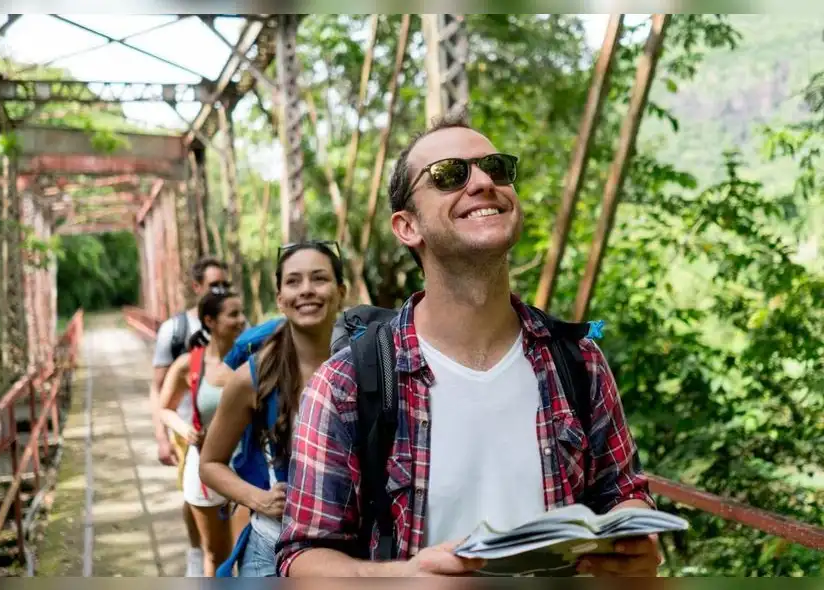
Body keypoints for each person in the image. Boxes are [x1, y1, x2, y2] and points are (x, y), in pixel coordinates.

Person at [276, 115, 661, 578]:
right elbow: (302, 559)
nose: (482, 182)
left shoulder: (579, 362)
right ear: (406, 227)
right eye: (449, 175)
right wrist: (404, 579)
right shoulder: (346, 385)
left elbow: (623, 493)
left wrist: (636, 545)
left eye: (496, 168)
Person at [199, 241, 347, 577]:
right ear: (280, 299)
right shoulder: (252, 378)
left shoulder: (368, 366)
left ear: (342, 292)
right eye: (293, 282)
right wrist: (259, 499)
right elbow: (209, 464)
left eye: (319, 279)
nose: (306, 290)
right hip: (272, 551)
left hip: (348, 552)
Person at [158, 286, 247, 577]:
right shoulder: (189, 364)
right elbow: (165, 409)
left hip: (247, 467)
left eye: (241, 312)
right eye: (233, 314)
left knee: (248, 555)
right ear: (209, 321)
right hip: (205, 469)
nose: (242, 320)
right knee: (217, 556)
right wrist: (186, 431)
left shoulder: (252, 360)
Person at [150, 256, 229, 576]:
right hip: (189, 430)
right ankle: (199, 554)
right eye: (214, 285)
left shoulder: (238, 321)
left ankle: (209, 554)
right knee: (194, 494)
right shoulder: (175, 329)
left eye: (225, 284)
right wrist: (163, 437)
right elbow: (158, 389)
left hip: (228, 425)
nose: (221, 290)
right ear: (197, 288)